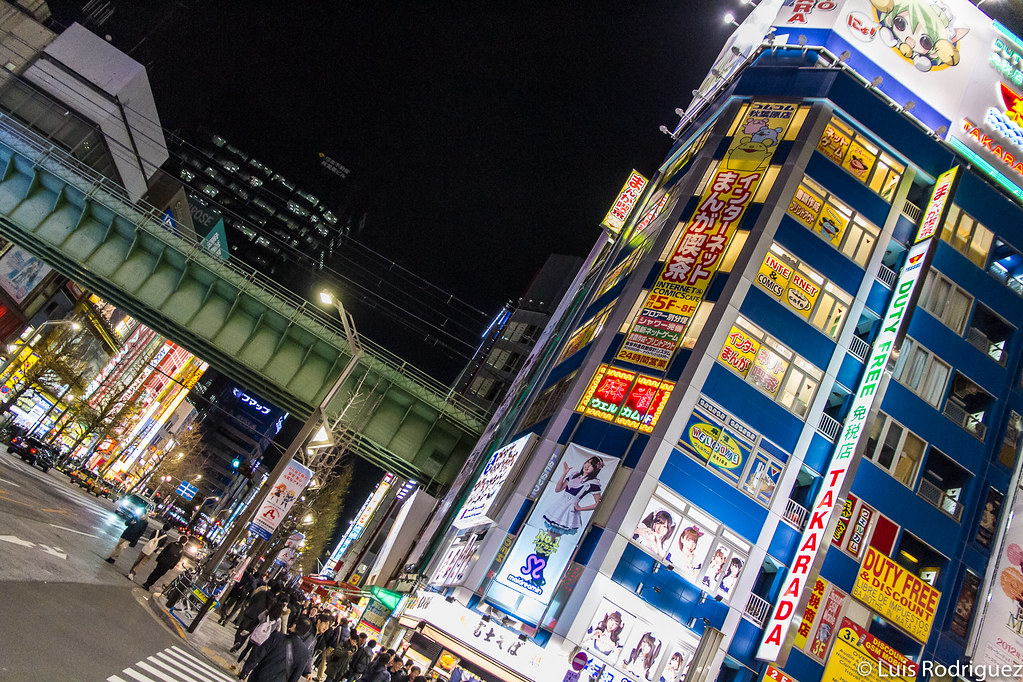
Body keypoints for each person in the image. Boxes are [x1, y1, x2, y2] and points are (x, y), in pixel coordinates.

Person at [241, 614, 316, 682]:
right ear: (305, 632)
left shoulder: (277, 636)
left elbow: (258, 655)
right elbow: (295, 677)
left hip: (259, 677)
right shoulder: (304, 653)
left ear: (295, 626)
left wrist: (246, 671)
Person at [232, 582, 276, 651]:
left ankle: (237, 641)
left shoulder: (262, 592)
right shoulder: (273, 601)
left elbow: (252, 599)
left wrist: (251, 607)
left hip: (251, 613)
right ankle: (237, 647)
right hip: (259, 619)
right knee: (247, 632)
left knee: (241, 628)